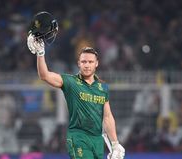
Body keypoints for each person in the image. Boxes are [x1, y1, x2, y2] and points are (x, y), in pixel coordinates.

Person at [27, 11, 125, 159]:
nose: (87, 65)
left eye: (90, 62)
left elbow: (107, 117)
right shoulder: (71, 82)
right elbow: (45, 75)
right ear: (78, 63)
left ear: (96, 64)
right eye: (84, 62)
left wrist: (115, 143)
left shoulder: (102, 88)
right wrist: (41, 53)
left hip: (97, 140)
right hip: (78, 138)